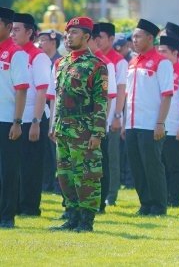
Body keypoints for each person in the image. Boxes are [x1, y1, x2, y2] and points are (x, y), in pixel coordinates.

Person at [50, 16, 108, 232]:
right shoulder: (62, 63)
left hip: (84, 129)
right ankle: (72, 215)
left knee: (86, 175)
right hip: (63, 128)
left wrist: (97, 132)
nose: (68, 36)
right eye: (67, 32)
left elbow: (101, 101)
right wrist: (55, 125)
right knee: (65, 175)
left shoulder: (96, 65)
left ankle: (86, 220)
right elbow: (58, 97)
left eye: (74, 33)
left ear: (86, 37)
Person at [125, 19, 173, 216]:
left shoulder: (162, 62)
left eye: (138, 36)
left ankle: (158, 205)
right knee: (136, 166)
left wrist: (160, 122)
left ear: (150, 38)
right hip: (132, 122)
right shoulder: (133, 61)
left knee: (152, 166)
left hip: (150, 123)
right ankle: (145, 203)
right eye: (133, 36)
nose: (134, 40)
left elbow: (167, 94)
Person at [11, 12, 52, 217]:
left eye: (17, 29)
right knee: (14, 164)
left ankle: (30, 207)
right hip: (15, 117)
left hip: (33, 117)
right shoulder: (12, 53)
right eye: (11, 28)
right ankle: (15, 203)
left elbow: (42, 91)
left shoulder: (38, 57)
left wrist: (36, 121)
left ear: (30, 32)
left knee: (31, 164)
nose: (12, 33)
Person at [0, 7, 29, 228]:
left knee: (9, 169)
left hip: (7, 120)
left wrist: (17, 121)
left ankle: (7, 215)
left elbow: (21, 89)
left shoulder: (17, 53)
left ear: (9, 27)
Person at [93, 22, 128, 207]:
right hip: (95, 118)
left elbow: (121, 89)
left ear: (112, 39)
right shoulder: (92, 57)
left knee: (111, 157)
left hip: (111, 116)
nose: (97, 41)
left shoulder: (118, 61)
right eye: (95, 37)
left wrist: (117, 115)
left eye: (101, 37)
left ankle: (111, 194)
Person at [157, 36, 179, 207]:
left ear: (175, 53)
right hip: (160, 128)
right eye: (159, 51)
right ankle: (164, 196)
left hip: (175, 127)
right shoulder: (161, 72)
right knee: (161, 165)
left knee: (175, 165)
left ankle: (175, 199)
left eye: (164, 51)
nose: (160, 54)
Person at [88, 26, 118, 214]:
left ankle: (99, 202)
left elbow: (109, 97)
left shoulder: (104, 63)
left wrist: (102, 125)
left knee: (100, 164)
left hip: (97, 124)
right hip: (79, 124)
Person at [38, 29, 62, 194]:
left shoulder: (59, 61)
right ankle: (46, 183)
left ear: (53, 42)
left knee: (55, 153)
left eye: (44, 40)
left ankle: (57, 184)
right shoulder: (41, 60)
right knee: (45, 153)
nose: (40, 43)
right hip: (42, 110)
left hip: (52, 109)